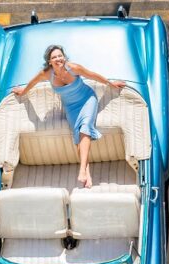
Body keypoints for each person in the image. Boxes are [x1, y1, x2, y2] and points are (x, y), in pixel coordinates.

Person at [13, 45, 126, 188]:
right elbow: (33, 82)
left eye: (60, 56)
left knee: (85, 128)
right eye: (54, 57)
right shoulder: (47, 74)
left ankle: (81, 170)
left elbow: (92, 75)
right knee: (79, 137)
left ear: (64, 57)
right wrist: (23, 92)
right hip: (71, 107)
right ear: (49, 62)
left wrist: (111, 83)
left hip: (87, 100)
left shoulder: (73, 68)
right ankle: (87, 175)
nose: (58, 59)